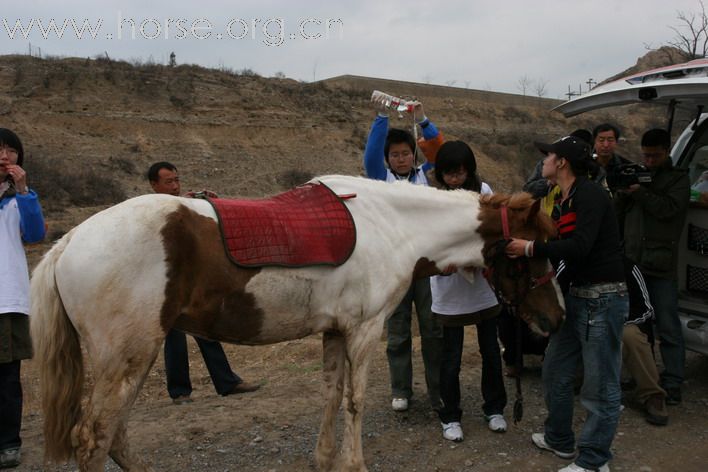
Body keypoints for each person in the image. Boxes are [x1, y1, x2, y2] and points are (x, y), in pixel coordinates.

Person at [507, 135, 627, 472]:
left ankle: (593, 460)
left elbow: (580, 247)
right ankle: (559, 438)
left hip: (602, 299)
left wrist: (529, 249)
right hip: (576, 297)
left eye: (548, 155)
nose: (543, 160)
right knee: (555, 370)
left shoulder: (589, 194)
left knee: (600, 385)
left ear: (562, 163)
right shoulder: (564, 196)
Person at [147, 161, 259, 404]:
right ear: (154, 185)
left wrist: (205, 205)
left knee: (206, 330)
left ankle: (226, 383)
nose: (175, 186)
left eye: (177, 180)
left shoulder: (182, 205)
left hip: (191, 281)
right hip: (167, 285)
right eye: (169, 182)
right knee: (175, 338)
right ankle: (180, 392)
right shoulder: (149, 211)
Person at [364, 97, 444, 412]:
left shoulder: (426, 174)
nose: (400, 159)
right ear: (388, 159)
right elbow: (371, 154)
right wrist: (382, 115)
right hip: (393, 268)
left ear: (413, 155)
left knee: (432, 329)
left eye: (405, 153)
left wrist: (423, 120)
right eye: (394, 154)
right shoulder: (380, 179)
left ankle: (438, 390)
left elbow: (439, 150)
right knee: (397, 332)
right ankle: (401, 390)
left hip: (427, 266)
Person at [427, 141, 507, 442]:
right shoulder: (434, 199)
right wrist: (441, 262)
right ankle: (450, 416)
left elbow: (492, 230)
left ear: (469, 170)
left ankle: (495, 408)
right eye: (449, 174)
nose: (455, 180)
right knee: (450, 357)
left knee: (490, 351)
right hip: (449, 289)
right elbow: (430, 240)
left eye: (459, 173)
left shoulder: (482, 190)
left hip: (483, 286)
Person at [615, 129, 690, 406]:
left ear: (666, 150)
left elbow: (669, 209)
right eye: (645, 155)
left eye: (655, 156)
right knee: (637, 326)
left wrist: (640, 192)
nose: (649, 161)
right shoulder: (636, 174)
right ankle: (640, 377)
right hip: (633, 264)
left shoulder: (679, 178)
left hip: (660, 266)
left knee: (668, 327)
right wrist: (623, 194)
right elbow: (617, 216)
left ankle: (672, 382)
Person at [0, 128, 45, 469]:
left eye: (11, 151)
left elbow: (35, 236)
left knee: (7, 378)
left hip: (8, 299)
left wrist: (24, 190)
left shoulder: (21, 199)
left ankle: (9, 443)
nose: (5, 156)